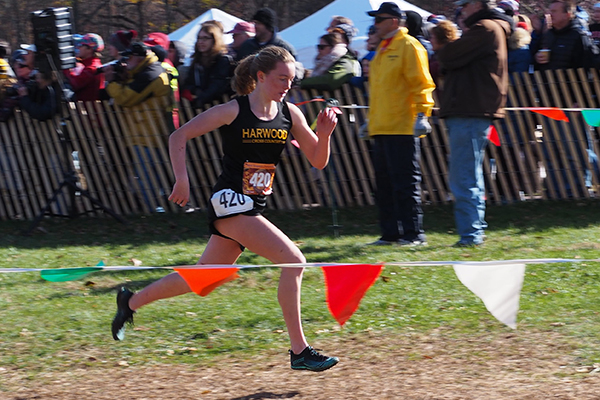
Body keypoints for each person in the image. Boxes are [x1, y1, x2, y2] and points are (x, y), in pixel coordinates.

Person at [111, 45, 340, 372]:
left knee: (203, 280)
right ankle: (299, 350)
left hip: (253, 205)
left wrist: (325, 134)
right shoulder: (233, 110)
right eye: (280, 78)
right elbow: (179, 136)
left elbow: (318, 160)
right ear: (260, 77)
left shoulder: (291, 114)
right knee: (294, 261)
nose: (287, 84)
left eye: (291, 79)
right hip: (230, 203)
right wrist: (181, 181)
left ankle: (129, 301)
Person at [435, 0, 513, 246]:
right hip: (472, 110)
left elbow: (447, 55)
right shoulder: (490, 28)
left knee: (464, 176)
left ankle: (471, 235)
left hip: (469, 110)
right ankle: (473, 231)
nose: (461, 9)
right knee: (470, 174)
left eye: (464, 4)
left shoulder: (485, 28)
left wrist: (445, 48)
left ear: (477, 4)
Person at [365, 2, 435, 246]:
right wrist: (370, 121)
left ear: (394, 21)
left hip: (403, 127)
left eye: (380, 19)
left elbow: (422, 84)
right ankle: (390, 234)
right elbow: (380, 91)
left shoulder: (409, 46)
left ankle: (414, 234)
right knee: (383, 186)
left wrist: (422, 114)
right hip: (382, 127)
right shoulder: (383, 49)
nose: (375, 24)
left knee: (405, 184)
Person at [105, 42, 172, 211]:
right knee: (150, 176)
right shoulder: (145, 70)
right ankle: (159, 209)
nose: (126, 62)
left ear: (139, 58)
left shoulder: (151, 74)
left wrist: (112, 82)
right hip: (143, 134)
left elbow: (125, 98)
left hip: (150, 135)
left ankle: (156, 210)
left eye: (129, 58)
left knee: (148, 178)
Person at [181, 23, 234, 109]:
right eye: (199, 38)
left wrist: (201, 98)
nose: (201, 42)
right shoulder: (196, 61)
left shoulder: (223, 60)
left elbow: (218, 86)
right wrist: (193, 92)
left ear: (214, 40)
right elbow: (189, 82)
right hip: (198, 108)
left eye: (205, 38)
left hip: (219, 108)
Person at [63, 33, 105, 102]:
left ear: (89, 49)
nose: (78, 47)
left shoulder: (92, 67)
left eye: (81, 45)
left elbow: (75, 84)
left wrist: (66, 69)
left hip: (86, 109)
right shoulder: (89, 64)